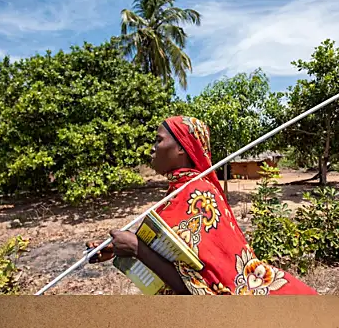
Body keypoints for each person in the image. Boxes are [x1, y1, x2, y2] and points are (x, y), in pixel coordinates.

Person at [89, 117, 315, 295]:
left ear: (182, 147)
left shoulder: (197, 195)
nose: (152, 148)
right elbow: (171, 255)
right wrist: (117, 249)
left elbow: (200, 289)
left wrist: (137, 248)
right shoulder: (179, 192)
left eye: (158, 140)